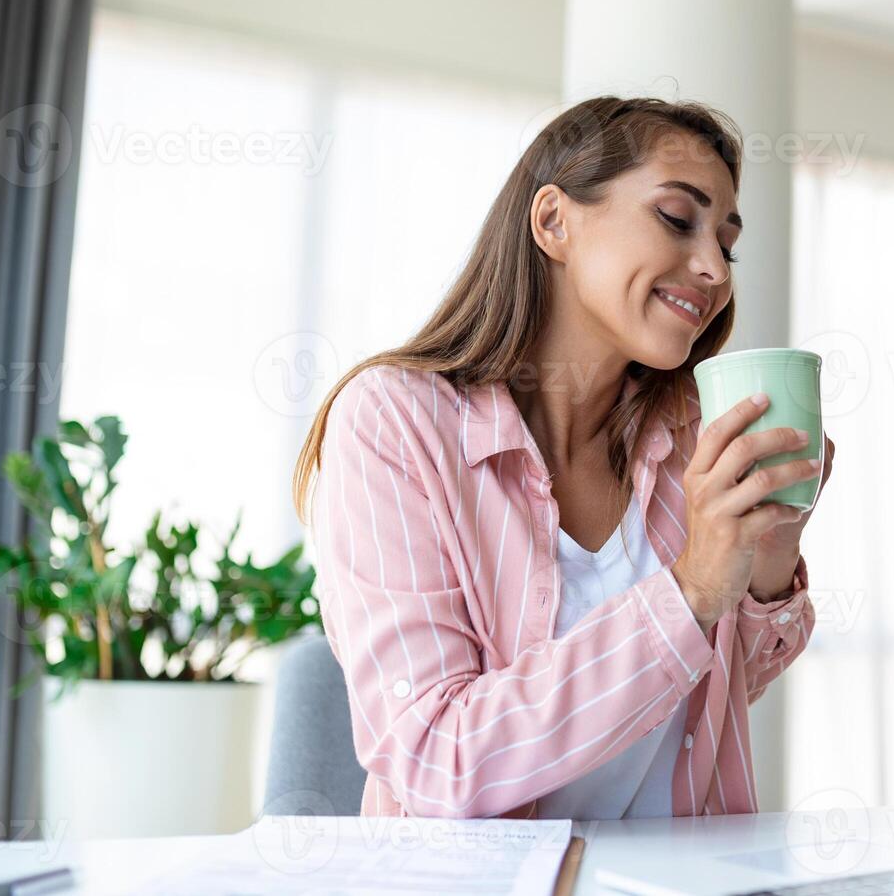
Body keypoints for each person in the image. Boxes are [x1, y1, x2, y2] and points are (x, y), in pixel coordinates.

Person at [292, 95, 836, 820]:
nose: (713, 268)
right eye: (678, 219)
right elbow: (436, 758)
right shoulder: (394, 422)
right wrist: (694, 587)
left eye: (727, 243)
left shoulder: (689, 440)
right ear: (554, 221)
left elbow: (721, 690)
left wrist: (766, 559)